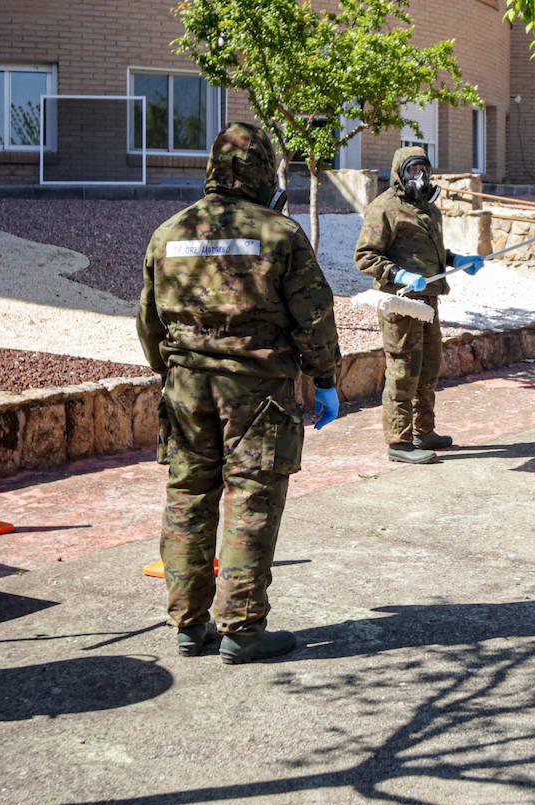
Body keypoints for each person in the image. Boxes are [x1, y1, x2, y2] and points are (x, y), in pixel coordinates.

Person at [138, 122, 340, 664]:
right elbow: (314, 316)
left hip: (185, 390)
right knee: (251, 499)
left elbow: (150, 322)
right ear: (262, 172)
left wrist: (172, 371)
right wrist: (324, 379)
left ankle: (188, 624)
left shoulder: (168, 234)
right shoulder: (279, 233)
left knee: (188, 498)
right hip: (256, 392)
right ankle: (243, 628)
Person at [355, 148, 483, 463]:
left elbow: (430, 251)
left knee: (428, 366)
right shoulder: (384, 208)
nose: (420, 177)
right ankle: (399, 442)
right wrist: (399, 274)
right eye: (413, 171)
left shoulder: (427, 209)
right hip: (401, 302)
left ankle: (423, 432)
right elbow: (366, 256)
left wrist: (456, 260)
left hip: (427, 300)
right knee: (403, 369)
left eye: (424, 169)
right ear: (400, 172)